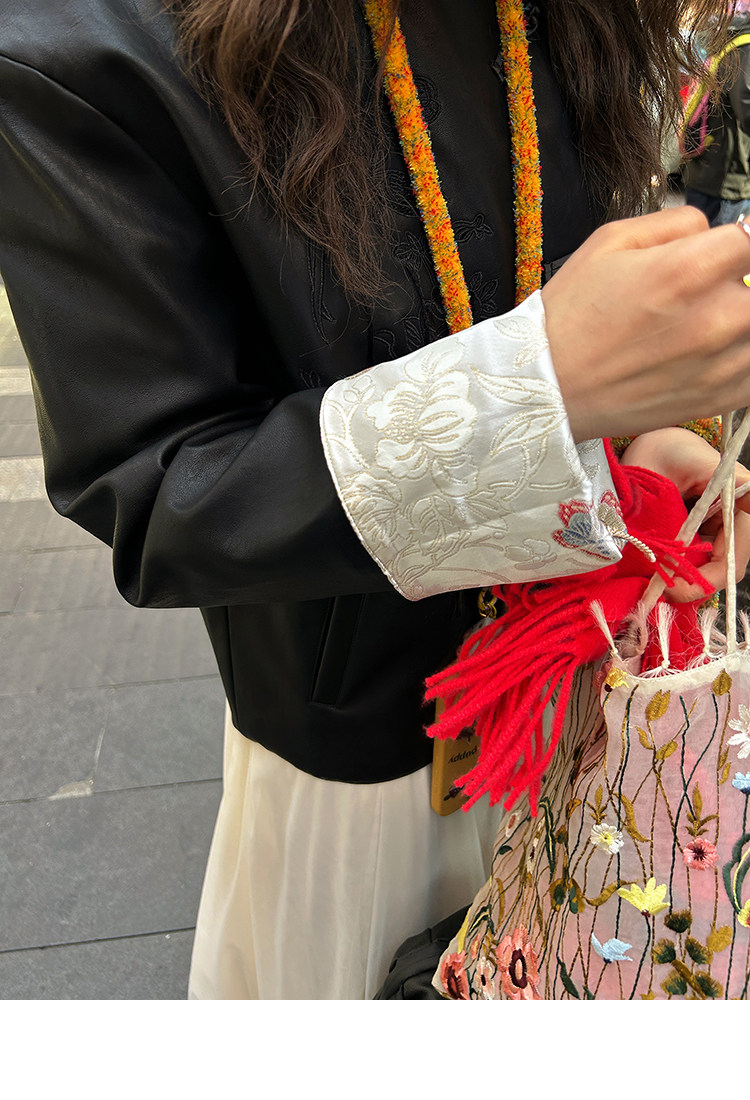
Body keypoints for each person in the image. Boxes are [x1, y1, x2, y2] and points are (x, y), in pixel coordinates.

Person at [1, 0, 750, 1000]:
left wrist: (632, 442)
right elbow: (161, 491)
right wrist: (537, 388)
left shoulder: (578, 15)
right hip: (359, 787)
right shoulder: (85, 45)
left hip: (591, 718)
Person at [683, 1, 750, 225]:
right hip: (725, 176)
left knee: (695, 235)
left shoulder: (727, 38)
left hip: (705, 164)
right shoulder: (746, 47)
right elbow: (746, 105)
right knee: (715, 241)